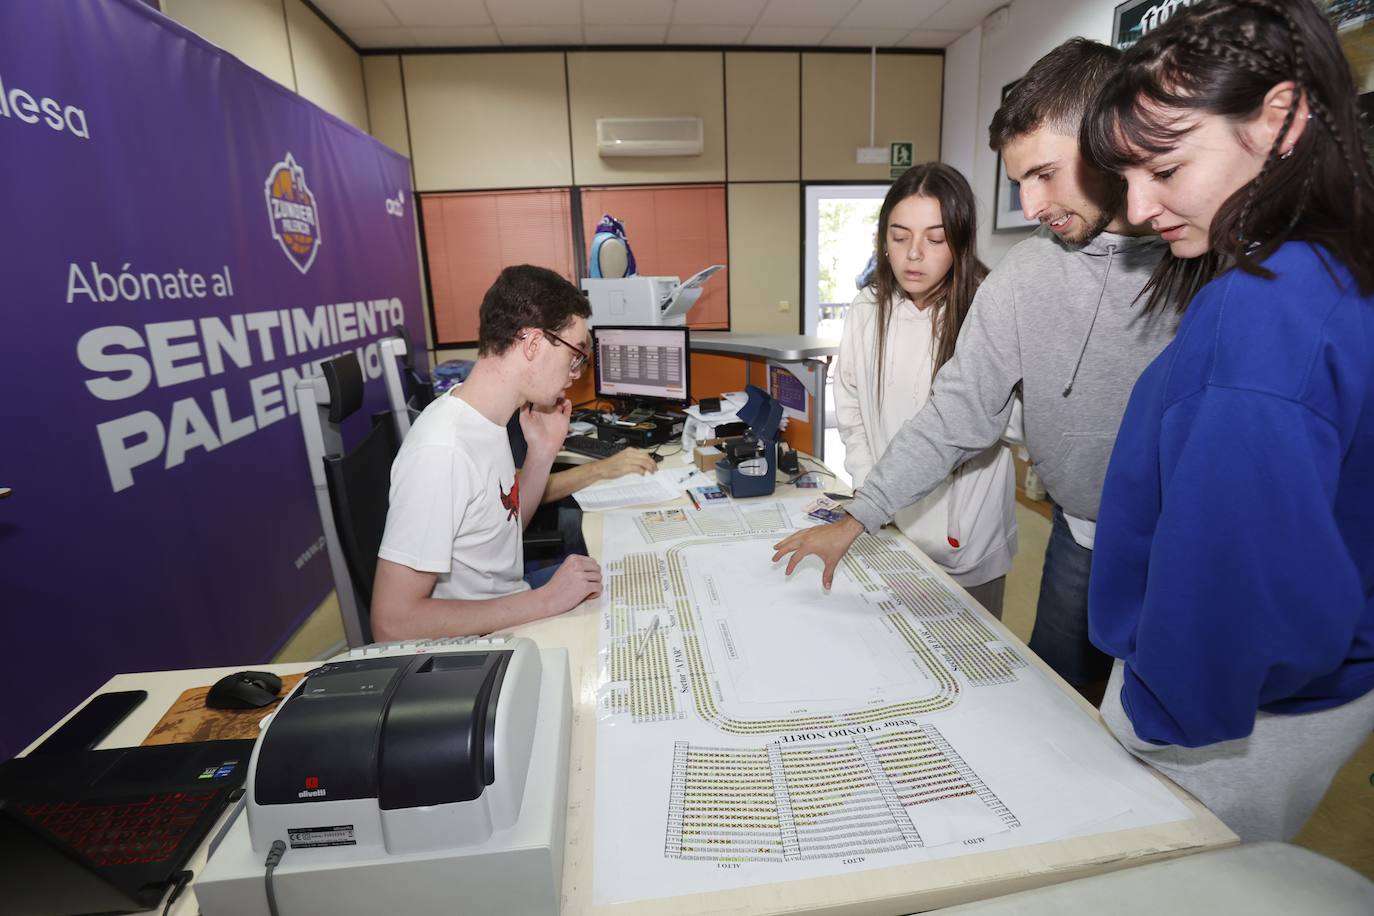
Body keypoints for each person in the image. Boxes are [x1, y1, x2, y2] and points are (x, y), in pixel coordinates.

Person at [773, 38, 1177, 697]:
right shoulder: (1026, 277)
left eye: (1044, 173)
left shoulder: (1198, 255)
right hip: (1081, 533)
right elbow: (955, 412)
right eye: (1019, 182)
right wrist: (860, 514)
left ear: (1111, 139)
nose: (1031, 204)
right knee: (1056, 702)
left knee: (1168, 718)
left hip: (1184, 541)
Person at [1081, 0, 1374, 841]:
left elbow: (1230, 570)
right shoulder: (1332, 271)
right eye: (1124, 179)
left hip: (1221, 715)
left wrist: (1161, 709)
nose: (1137, 209)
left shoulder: (1261, 308)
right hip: (1318, 689)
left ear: (1280, 118)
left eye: (1164, 170)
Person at [370, 265, 604, 640]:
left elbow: (502, 531)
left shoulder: (489, 420)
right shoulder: (442, 450)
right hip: (477, 648)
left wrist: (541, 454)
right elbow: (392, 622)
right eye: (576, 354)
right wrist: (546, 602)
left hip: (509, 605)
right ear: (532, 344)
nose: (576, 373)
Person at [833, 163, 1017, 617]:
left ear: (959, 240)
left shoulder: (989, 312)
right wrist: (868, 483)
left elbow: (1006, 424)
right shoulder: (867, 309)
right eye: (899, 237)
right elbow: (852, 408)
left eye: (934, 239)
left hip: (966, 541)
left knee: (973, 666)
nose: (914, 254)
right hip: (887, 521)